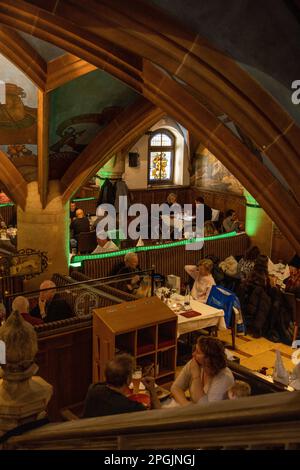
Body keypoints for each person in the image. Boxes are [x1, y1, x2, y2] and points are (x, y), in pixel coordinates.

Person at [82, 354, 161, 418]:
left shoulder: (94, 388)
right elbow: (158, 417)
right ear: (127, 380)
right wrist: (152, 390)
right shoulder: (131, 408)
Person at [170, 336, 234, 406]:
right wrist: (186, 404)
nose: (193, 354)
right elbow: (176, 387)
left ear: (208, 359)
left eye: (197, 352)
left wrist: (196, 376)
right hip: (194, 411)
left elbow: (206, 409)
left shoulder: (224, 378)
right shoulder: (196, 363)